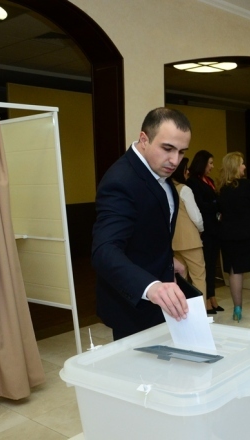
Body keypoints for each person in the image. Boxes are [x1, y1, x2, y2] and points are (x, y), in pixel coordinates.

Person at [91, 107, 191, 340]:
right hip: (133, 306)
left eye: (182, 152)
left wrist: (167, 259)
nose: (175, 160)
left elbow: (148, 230)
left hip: (163, 302)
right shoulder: (120, 181)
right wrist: (151, 286)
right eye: (167, 149)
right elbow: (104, 251)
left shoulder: (162, 175)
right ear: (144, 139)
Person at [217, 152, 250, 321]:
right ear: (235, 167)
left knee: (235, 271)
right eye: (242, 164)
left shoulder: (221, 189)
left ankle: (237, 309)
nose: (245, 167)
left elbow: (220, 212)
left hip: (230, 236)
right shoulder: (247, 185)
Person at [186, 150, 223, 314]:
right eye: (210, 163)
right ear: (202, 164)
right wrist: (216, 204)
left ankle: (213, 297)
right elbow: (201, 205)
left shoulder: (208, 180)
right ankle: (206, 299)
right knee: (206, 264)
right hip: (205, 229)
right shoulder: (193, 182)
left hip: (214, 227)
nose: (212, 167)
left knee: (213, 263)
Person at [170, 157, 207, 297]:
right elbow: (196, 217)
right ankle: (200, 315)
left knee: (181, 279)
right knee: (199, 278)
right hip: (191, 240)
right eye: (186, 170)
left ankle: (183, 314)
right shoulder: (184, 189)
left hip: (174, 240)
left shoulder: (167, 189)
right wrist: (201, 229)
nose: (188, 172)